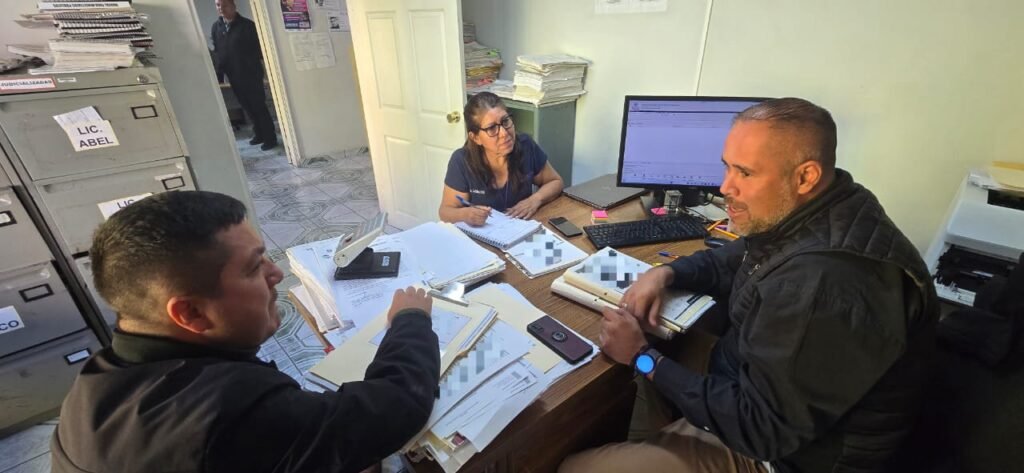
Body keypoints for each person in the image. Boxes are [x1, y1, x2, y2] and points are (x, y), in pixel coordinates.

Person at [561, 98, 938, 473]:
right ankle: (662, 439)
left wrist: (643, 357)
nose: (725, 186)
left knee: (575, 468)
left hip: (788, 456)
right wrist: (664, 274)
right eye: (727, 167)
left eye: (744, 173)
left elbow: (761, 430)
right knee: (658, 345)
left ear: (805, 177)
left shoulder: (822, 284)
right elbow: (733, 258)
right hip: (750, 378)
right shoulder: (828, 208)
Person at [51, 191, 440, 473]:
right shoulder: (232, 411)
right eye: (254, 268)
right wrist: (410, 321)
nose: (276, 274)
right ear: (190, 312)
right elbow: (396, 408)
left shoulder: (91, 386)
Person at [439, 92, 564, 226]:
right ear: (476, 138)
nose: (504, 133)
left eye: (505, 121)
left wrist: (535, 200)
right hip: (483, 233)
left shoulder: (526, 146)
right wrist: (465, 214)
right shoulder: (461, 161)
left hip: (522, 228)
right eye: (492, 128)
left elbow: (555, 181)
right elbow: (445, 212)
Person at [211, 0, 279, 150]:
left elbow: (260, 50)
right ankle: (259, 134)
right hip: (233, 75)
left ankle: (270, 138)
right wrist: (219, 74)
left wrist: (248, 64)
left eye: (224, 5)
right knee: (247, 107)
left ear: (233, 6)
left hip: (251, 74)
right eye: (218, 5)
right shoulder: (216, 27)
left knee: (258, 106)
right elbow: (218, 51)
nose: (221, 8)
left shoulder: (247, 26)